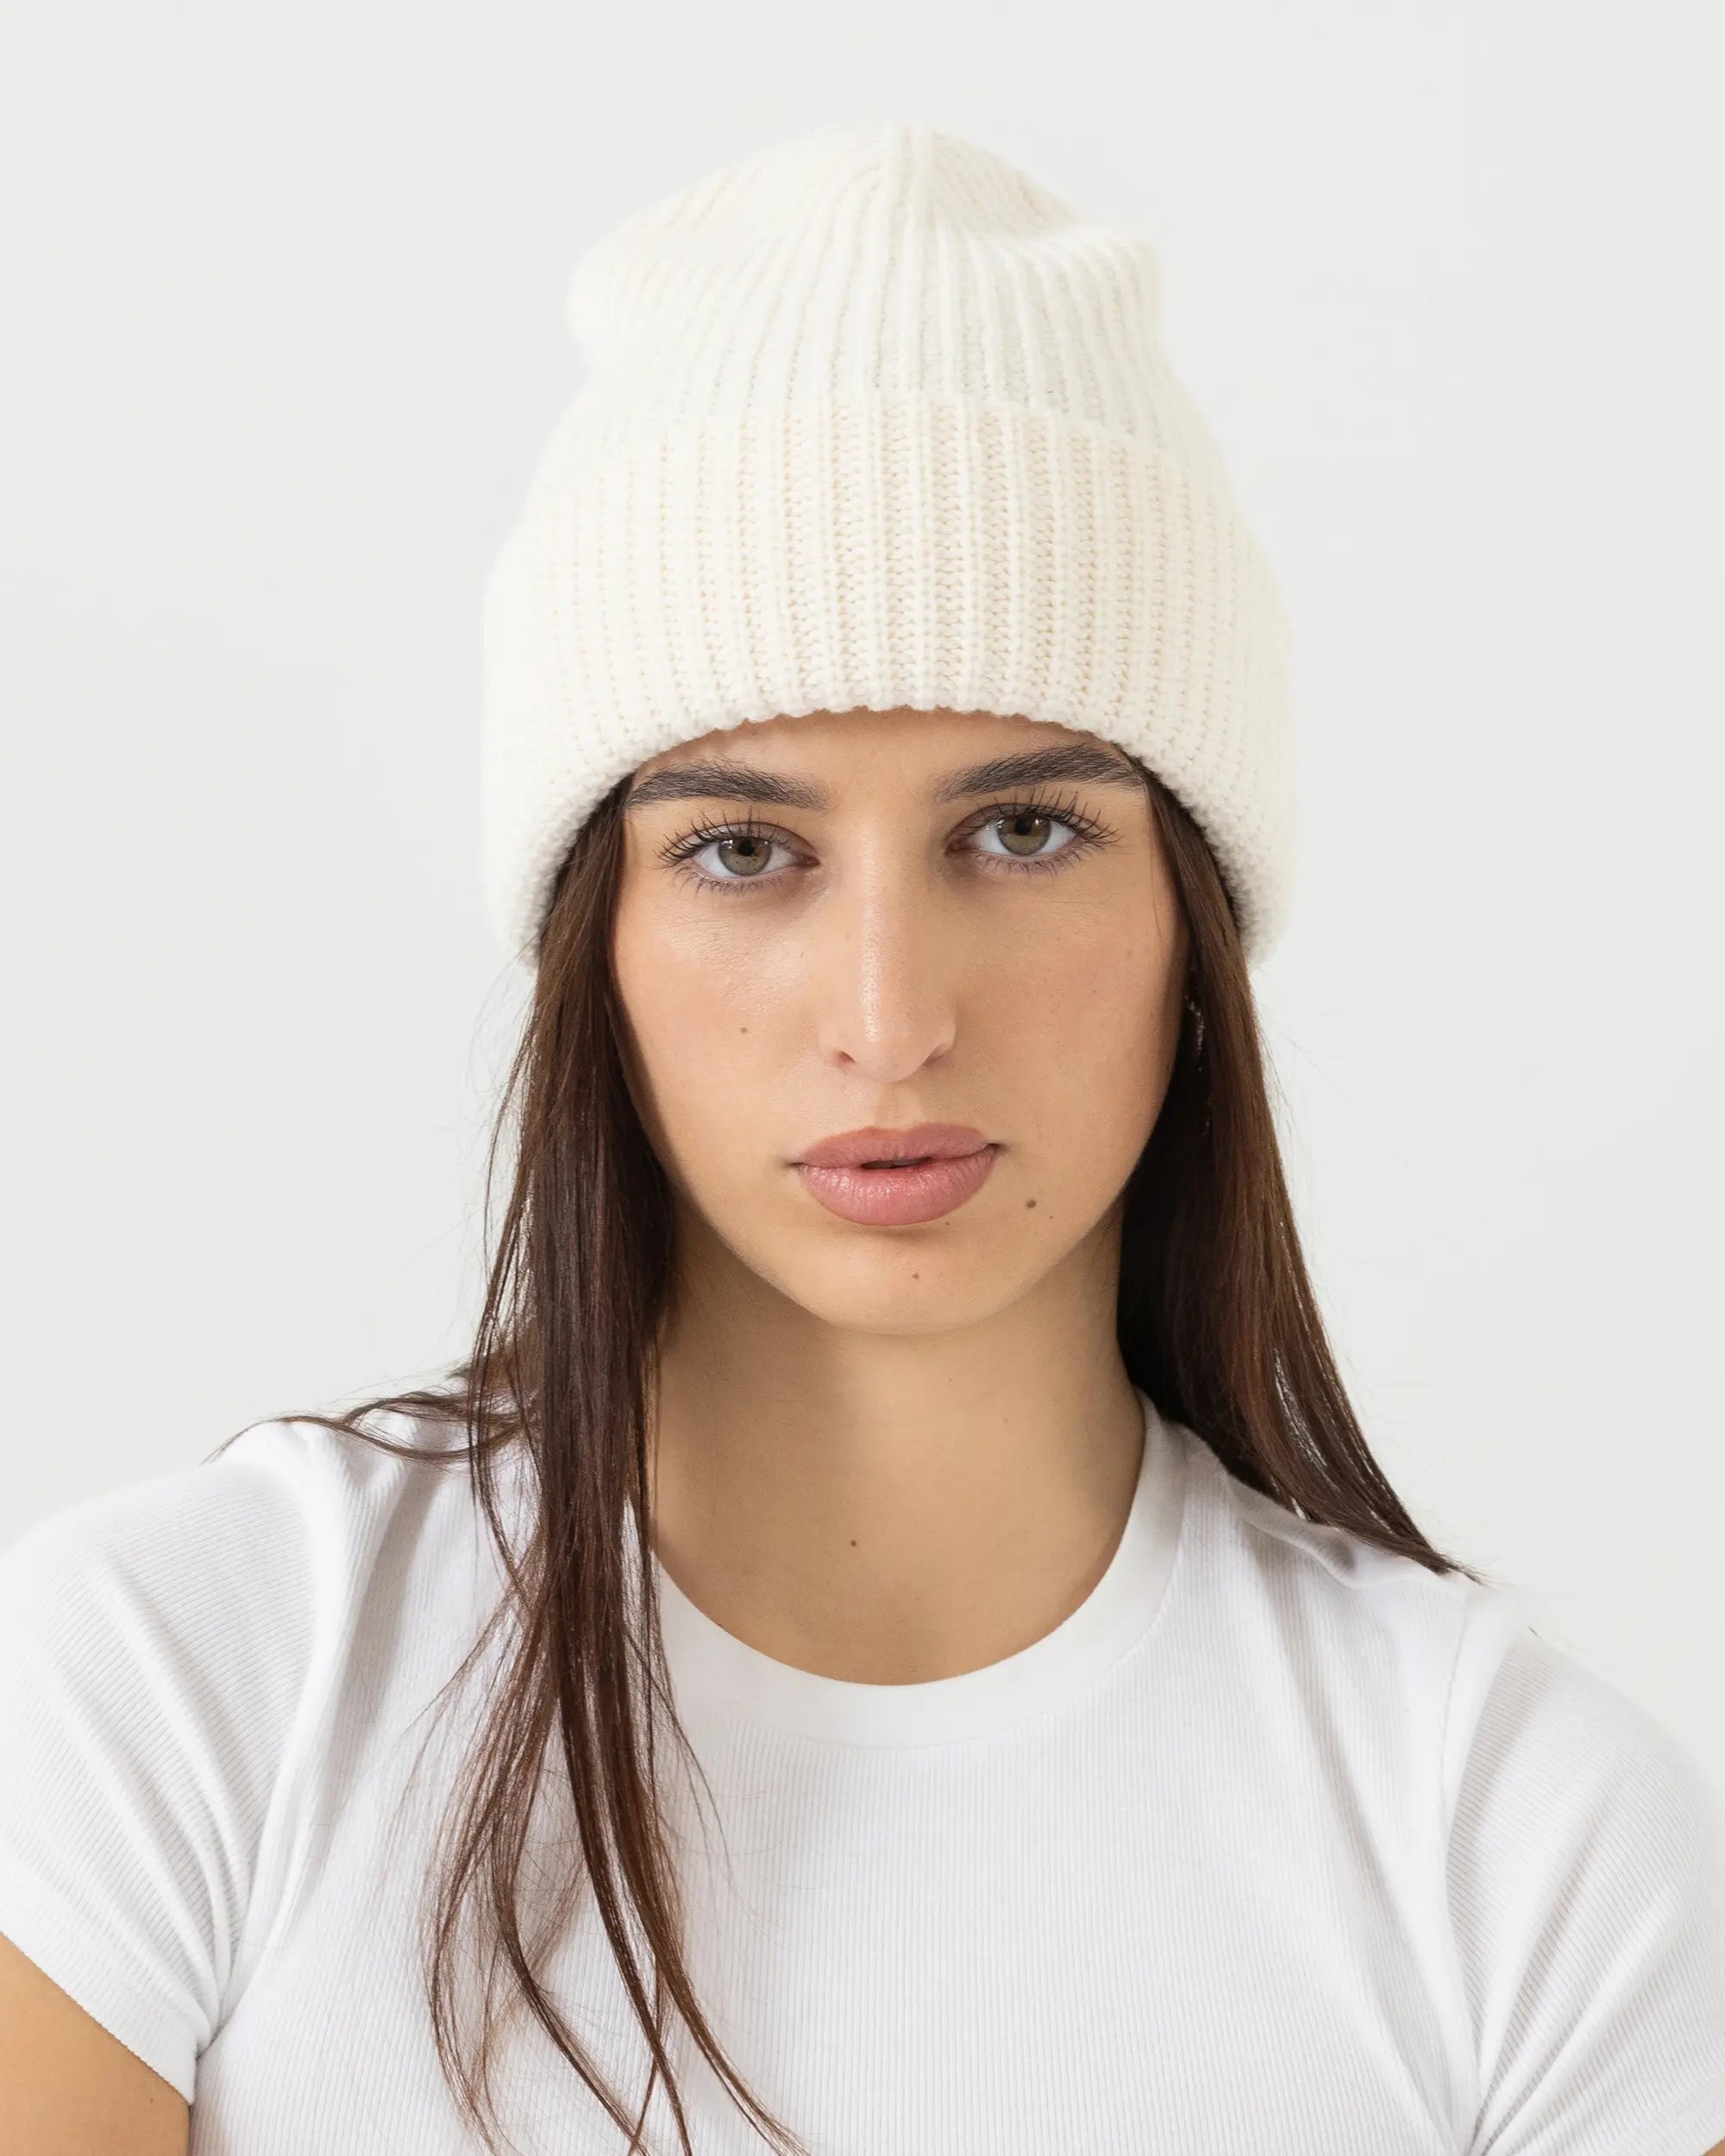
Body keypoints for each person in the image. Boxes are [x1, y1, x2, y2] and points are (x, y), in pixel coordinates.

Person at [2, 119, 1722, 2156]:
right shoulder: (177, 1685)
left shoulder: (1512, 1831)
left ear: (1194, 921)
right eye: (743, 848)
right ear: (598, 941)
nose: (892, 1016)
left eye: (1024, 830)